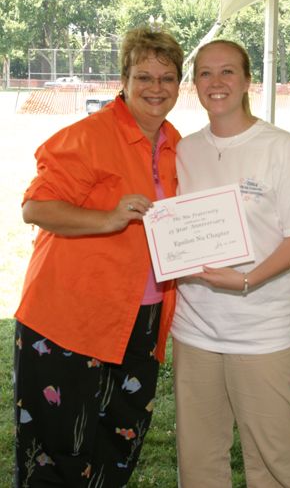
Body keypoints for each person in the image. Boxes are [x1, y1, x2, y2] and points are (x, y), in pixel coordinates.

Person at [14, 26, 183, 487]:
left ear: (179, 85)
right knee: (60, 449)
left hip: (142, 315)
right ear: (123, 79)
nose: (155, 88)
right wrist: (108, 219)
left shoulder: (175, 144)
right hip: (71, 315)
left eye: (167, 78)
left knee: (120, 440)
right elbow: (36, 207)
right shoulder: (89, 136)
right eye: (144, 76)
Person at [171, 39, 290, 488]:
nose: (215, 82)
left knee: (275, 459)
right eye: (205, 73)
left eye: (227, 72)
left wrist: (245, 280)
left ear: (246, 81)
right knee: (199, 459)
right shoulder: (184, 150)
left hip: (261, 331)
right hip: (195, 328)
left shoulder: (278, 146)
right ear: (195, 84)